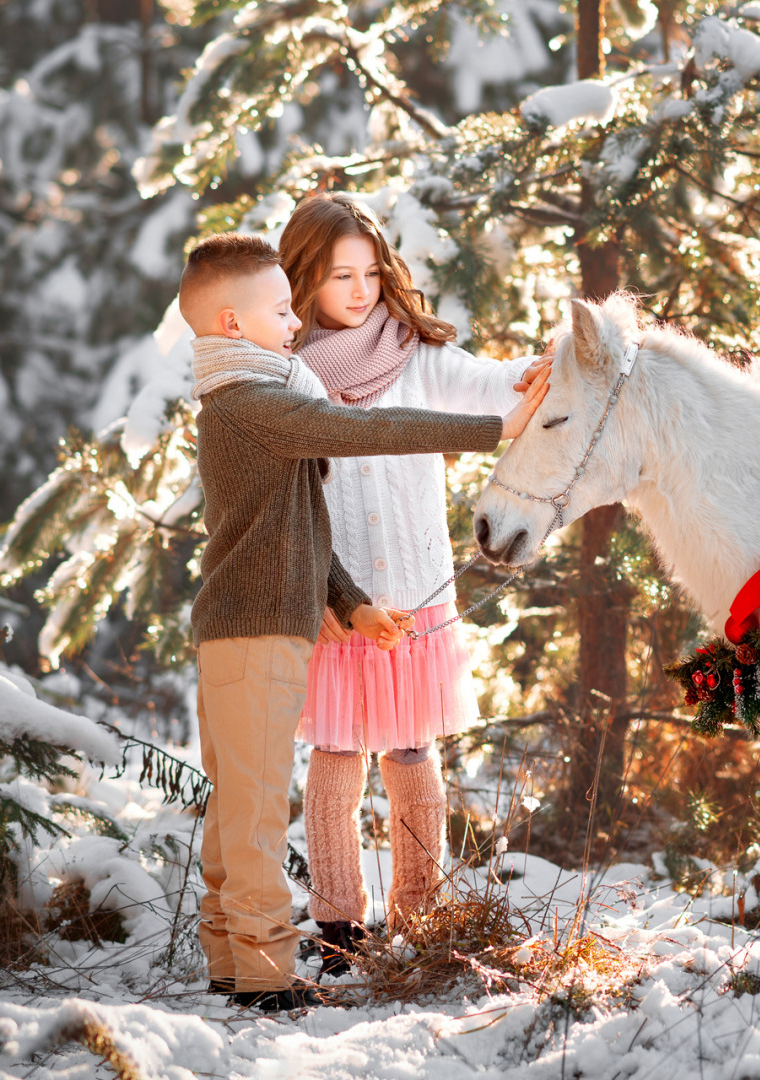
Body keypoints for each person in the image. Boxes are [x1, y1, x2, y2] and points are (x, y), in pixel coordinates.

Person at [181, 232, 549, 1011]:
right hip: (256, 633)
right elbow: (366, 431)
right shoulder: (255, 403)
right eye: (281, 309)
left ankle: (229, 961)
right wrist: (496, 432)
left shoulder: (259, 393)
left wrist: (349, 606)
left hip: (255, 627)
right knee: (254, 814)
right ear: (233, 324)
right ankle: (265, 975)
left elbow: (303, 530)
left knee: (236, 809)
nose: (294, 322)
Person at [278, 193, 551, 975]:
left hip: (416, 593)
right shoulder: (289, 374)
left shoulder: (413, 354)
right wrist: (316, 592)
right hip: (339, 600)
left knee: (410, 749)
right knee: (336, 752)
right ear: (304, 279)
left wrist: (542, 370)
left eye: (370, 273)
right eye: (340, 276)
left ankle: (419, 915)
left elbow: (491, 387)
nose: (360, 291)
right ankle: (337, 926)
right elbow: (281, 495)